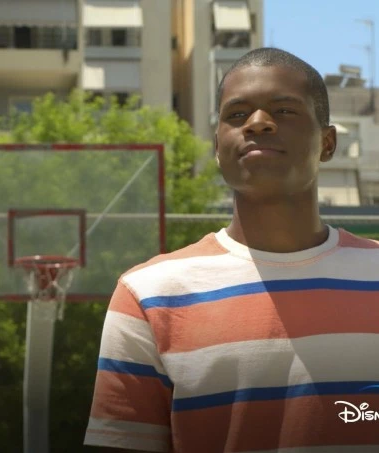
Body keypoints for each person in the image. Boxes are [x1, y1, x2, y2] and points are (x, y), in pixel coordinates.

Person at [84, 48, 379, 452]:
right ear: (218, 146)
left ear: (327, 143)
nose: (257, 122)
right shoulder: (149, 295)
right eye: (237, 114)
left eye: (284, 110)